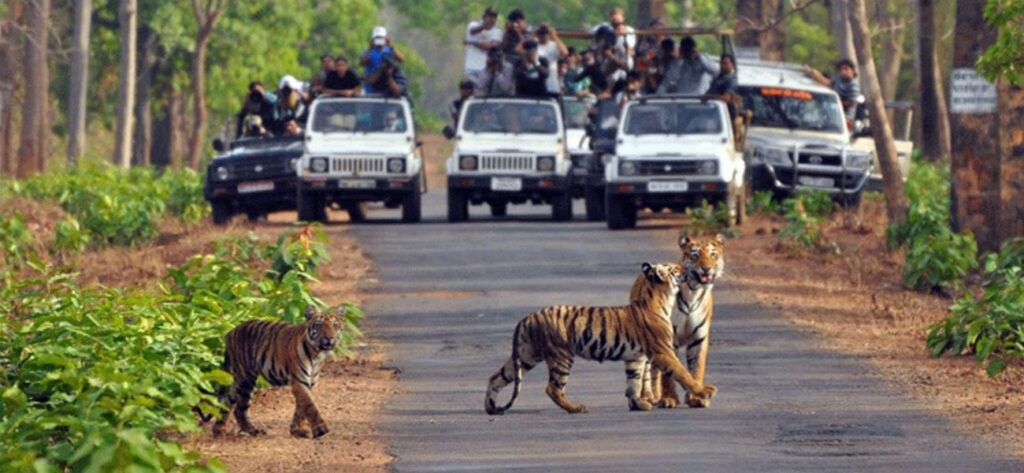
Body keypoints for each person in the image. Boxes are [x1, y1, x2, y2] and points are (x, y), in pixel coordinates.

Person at [361, 26, 405, 94]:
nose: (379, 40)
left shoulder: (390, 51)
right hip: (370, 88)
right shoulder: (367, 52)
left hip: (386, 87)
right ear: (373, 39)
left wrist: (391, 46)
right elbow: (362, 63)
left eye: (381, 38)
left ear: (385, 38)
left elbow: (401, 59)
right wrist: (370, 48)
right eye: (377, 38)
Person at [464, 7, 504, 82]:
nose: (492, 19)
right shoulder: (473, 25)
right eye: (490, 16)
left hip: (486, 70)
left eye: (494, 16)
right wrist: (484, 26)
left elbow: (490, 47)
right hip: (470, 68)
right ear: (485, 16)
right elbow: (472, 31)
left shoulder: (497, 31)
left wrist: (472, 42)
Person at [534, 24, 568, 95]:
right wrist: (533, 35)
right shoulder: (534, 44)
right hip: (536, 84)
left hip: (551, 84)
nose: (543, 35)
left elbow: (565, 52)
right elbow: (519, 50)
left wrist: (554, 36)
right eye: (541, 33)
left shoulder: (553, 45)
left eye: (546, 33)